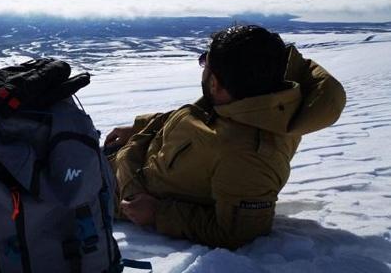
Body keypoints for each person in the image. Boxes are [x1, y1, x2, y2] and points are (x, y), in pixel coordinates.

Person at [105, 24, 346, 250]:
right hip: (127, 160)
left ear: (216, 84)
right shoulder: (254, 98)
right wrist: (140, 128)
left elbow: (238, 232)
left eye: (204, 63)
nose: (203, 71)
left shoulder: (250, 157)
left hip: (117, 192)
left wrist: (158, 213)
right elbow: (190, 117)